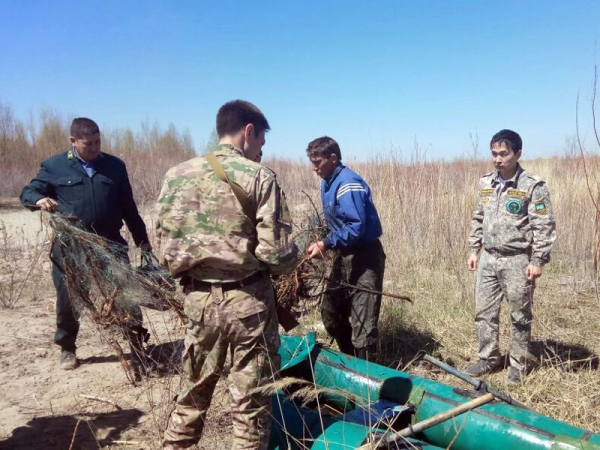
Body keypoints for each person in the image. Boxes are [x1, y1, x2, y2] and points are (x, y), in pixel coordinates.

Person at [158, 100, 299, 450]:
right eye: (261, 144)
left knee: (191, 397)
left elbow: (164, 249)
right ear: (248, 132)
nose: (261, 153)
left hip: (198, 303)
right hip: (248, 304)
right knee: (251, 406)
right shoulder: (259, 177)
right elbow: (275, 254)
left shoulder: (176, 175)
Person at [20, 117, 152, 371]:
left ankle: (136, 343)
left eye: (98, 142)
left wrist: (143, 241)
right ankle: (67, 347)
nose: (95, 148)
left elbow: (129, 207)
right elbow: (28, 192)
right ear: (73, 142)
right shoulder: (54, 166)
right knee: (68, 298)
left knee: (126, 294)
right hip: (70, 246)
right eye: (88, 143)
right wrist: (38, 200)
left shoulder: (114, 166)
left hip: (110, 242)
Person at [466, 129, 556, 385]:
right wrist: (474, 250)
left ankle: (518, 364)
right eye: (494, 153)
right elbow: (478, 217)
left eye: (503, 154)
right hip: (488, 259)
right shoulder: (486, 183)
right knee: (484, 313)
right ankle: (488, 357)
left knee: (519, 315)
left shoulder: (532, 186)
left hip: (518, 260)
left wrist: (537, 260)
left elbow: (544, 225)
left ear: (517, 153)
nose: (497, 159)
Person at [305, 136, 385, 361]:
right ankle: (351, 360)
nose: (314, 168)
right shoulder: (327, 181)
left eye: (317, 162)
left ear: (333, 158)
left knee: (363, 327)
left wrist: (327, 243)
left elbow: (356, 226)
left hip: (365, 258)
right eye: (311, 162)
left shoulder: (348, 183)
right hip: (345, 257)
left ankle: (367, 376)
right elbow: (334, 223)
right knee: (330, 314)